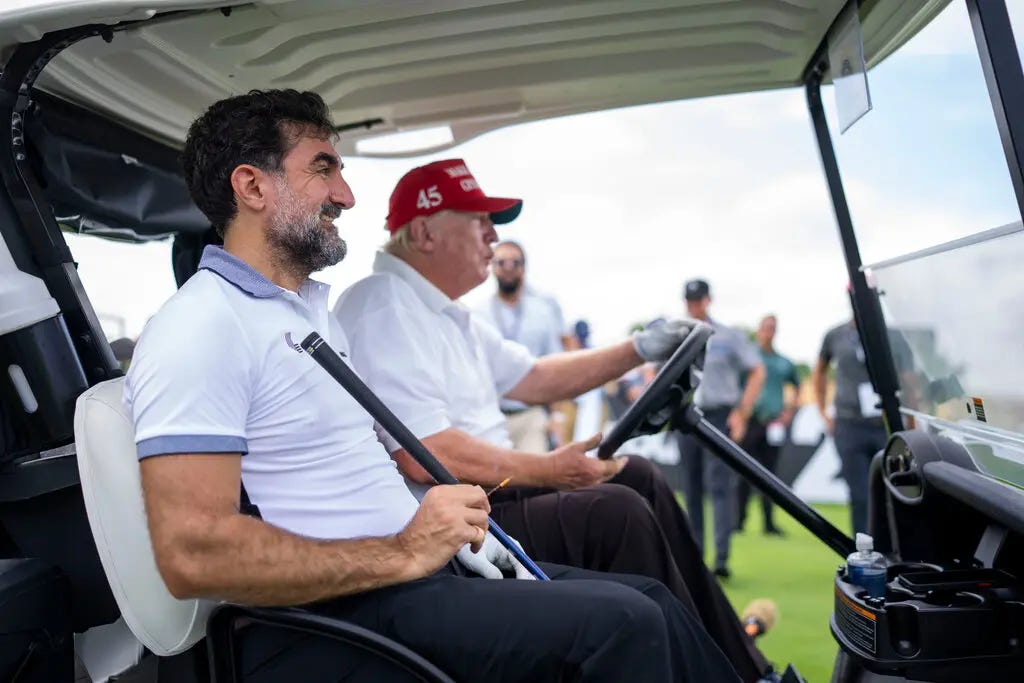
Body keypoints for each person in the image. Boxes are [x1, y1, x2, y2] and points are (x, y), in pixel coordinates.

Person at [126, 89, 740, 683]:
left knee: (650, 600)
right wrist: (404, 549)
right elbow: (193, 554)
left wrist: (433, 545)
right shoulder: (200, 326)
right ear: (252, 186)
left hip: (413, 574)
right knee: (625, 624)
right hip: (339, 615)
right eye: (323, 170)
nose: (346, 195)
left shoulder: (306, 314)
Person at [334, 159, 774, 683]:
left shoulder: (443, 312)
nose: (493, 237)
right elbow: (423, 452)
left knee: (638, 477)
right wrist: (549, 468)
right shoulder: (383, 305)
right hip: (467, 521)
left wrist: (638, 349)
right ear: (426, 231)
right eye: (478, 221)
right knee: (619, 511)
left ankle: (739, 667)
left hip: (486, 500)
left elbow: (536, 378)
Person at [674, 279, 765, 579]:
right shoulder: (675, 334)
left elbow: (756, 370)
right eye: (689, 300)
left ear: (708, 300)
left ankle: (722, 558)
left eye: (698, 300)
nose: (694, 305)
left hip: (718, 416)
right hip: (684, 414)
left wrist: (742, 411)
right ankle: (696, 555)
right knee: (691, 487)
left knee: (720, 485)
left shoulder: (728, 335)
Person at [812, 315, 912, 535]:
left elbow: (908, 378)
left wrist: (911, 423)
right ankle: (862, 553)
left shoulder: (893, 336)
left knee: (892, 492)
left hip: (884, 424)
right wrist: (823, 411)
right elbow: (819, 370)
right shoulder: (835, 334)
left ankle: (892, 549)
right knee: (859, 495)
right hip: (849, 424)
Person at [475, 240, 570, 451]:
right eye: (501, 262)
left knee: (536, 478)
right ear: (492, 266)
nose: (508, 268)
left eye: (515, 263)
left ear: (524, 268)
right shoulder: (477, 314)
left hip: (531, 415)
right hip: (490, 417)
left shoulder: (542, 312)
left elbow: (554, 365)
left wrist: (557, 415)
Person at [736, 315, 801, 536]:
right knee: (743, 470)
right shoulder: (749, 359)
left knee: (770, 475)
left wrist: (788, 412)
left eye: (772, 328)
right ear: (759, 330)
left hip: (773, 423)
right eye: (765, 328)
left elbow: (797, 385)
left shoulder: (783, 362)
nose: (768, 332)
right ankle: (739, 520)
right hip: (751, 420)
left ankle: (769, 523)